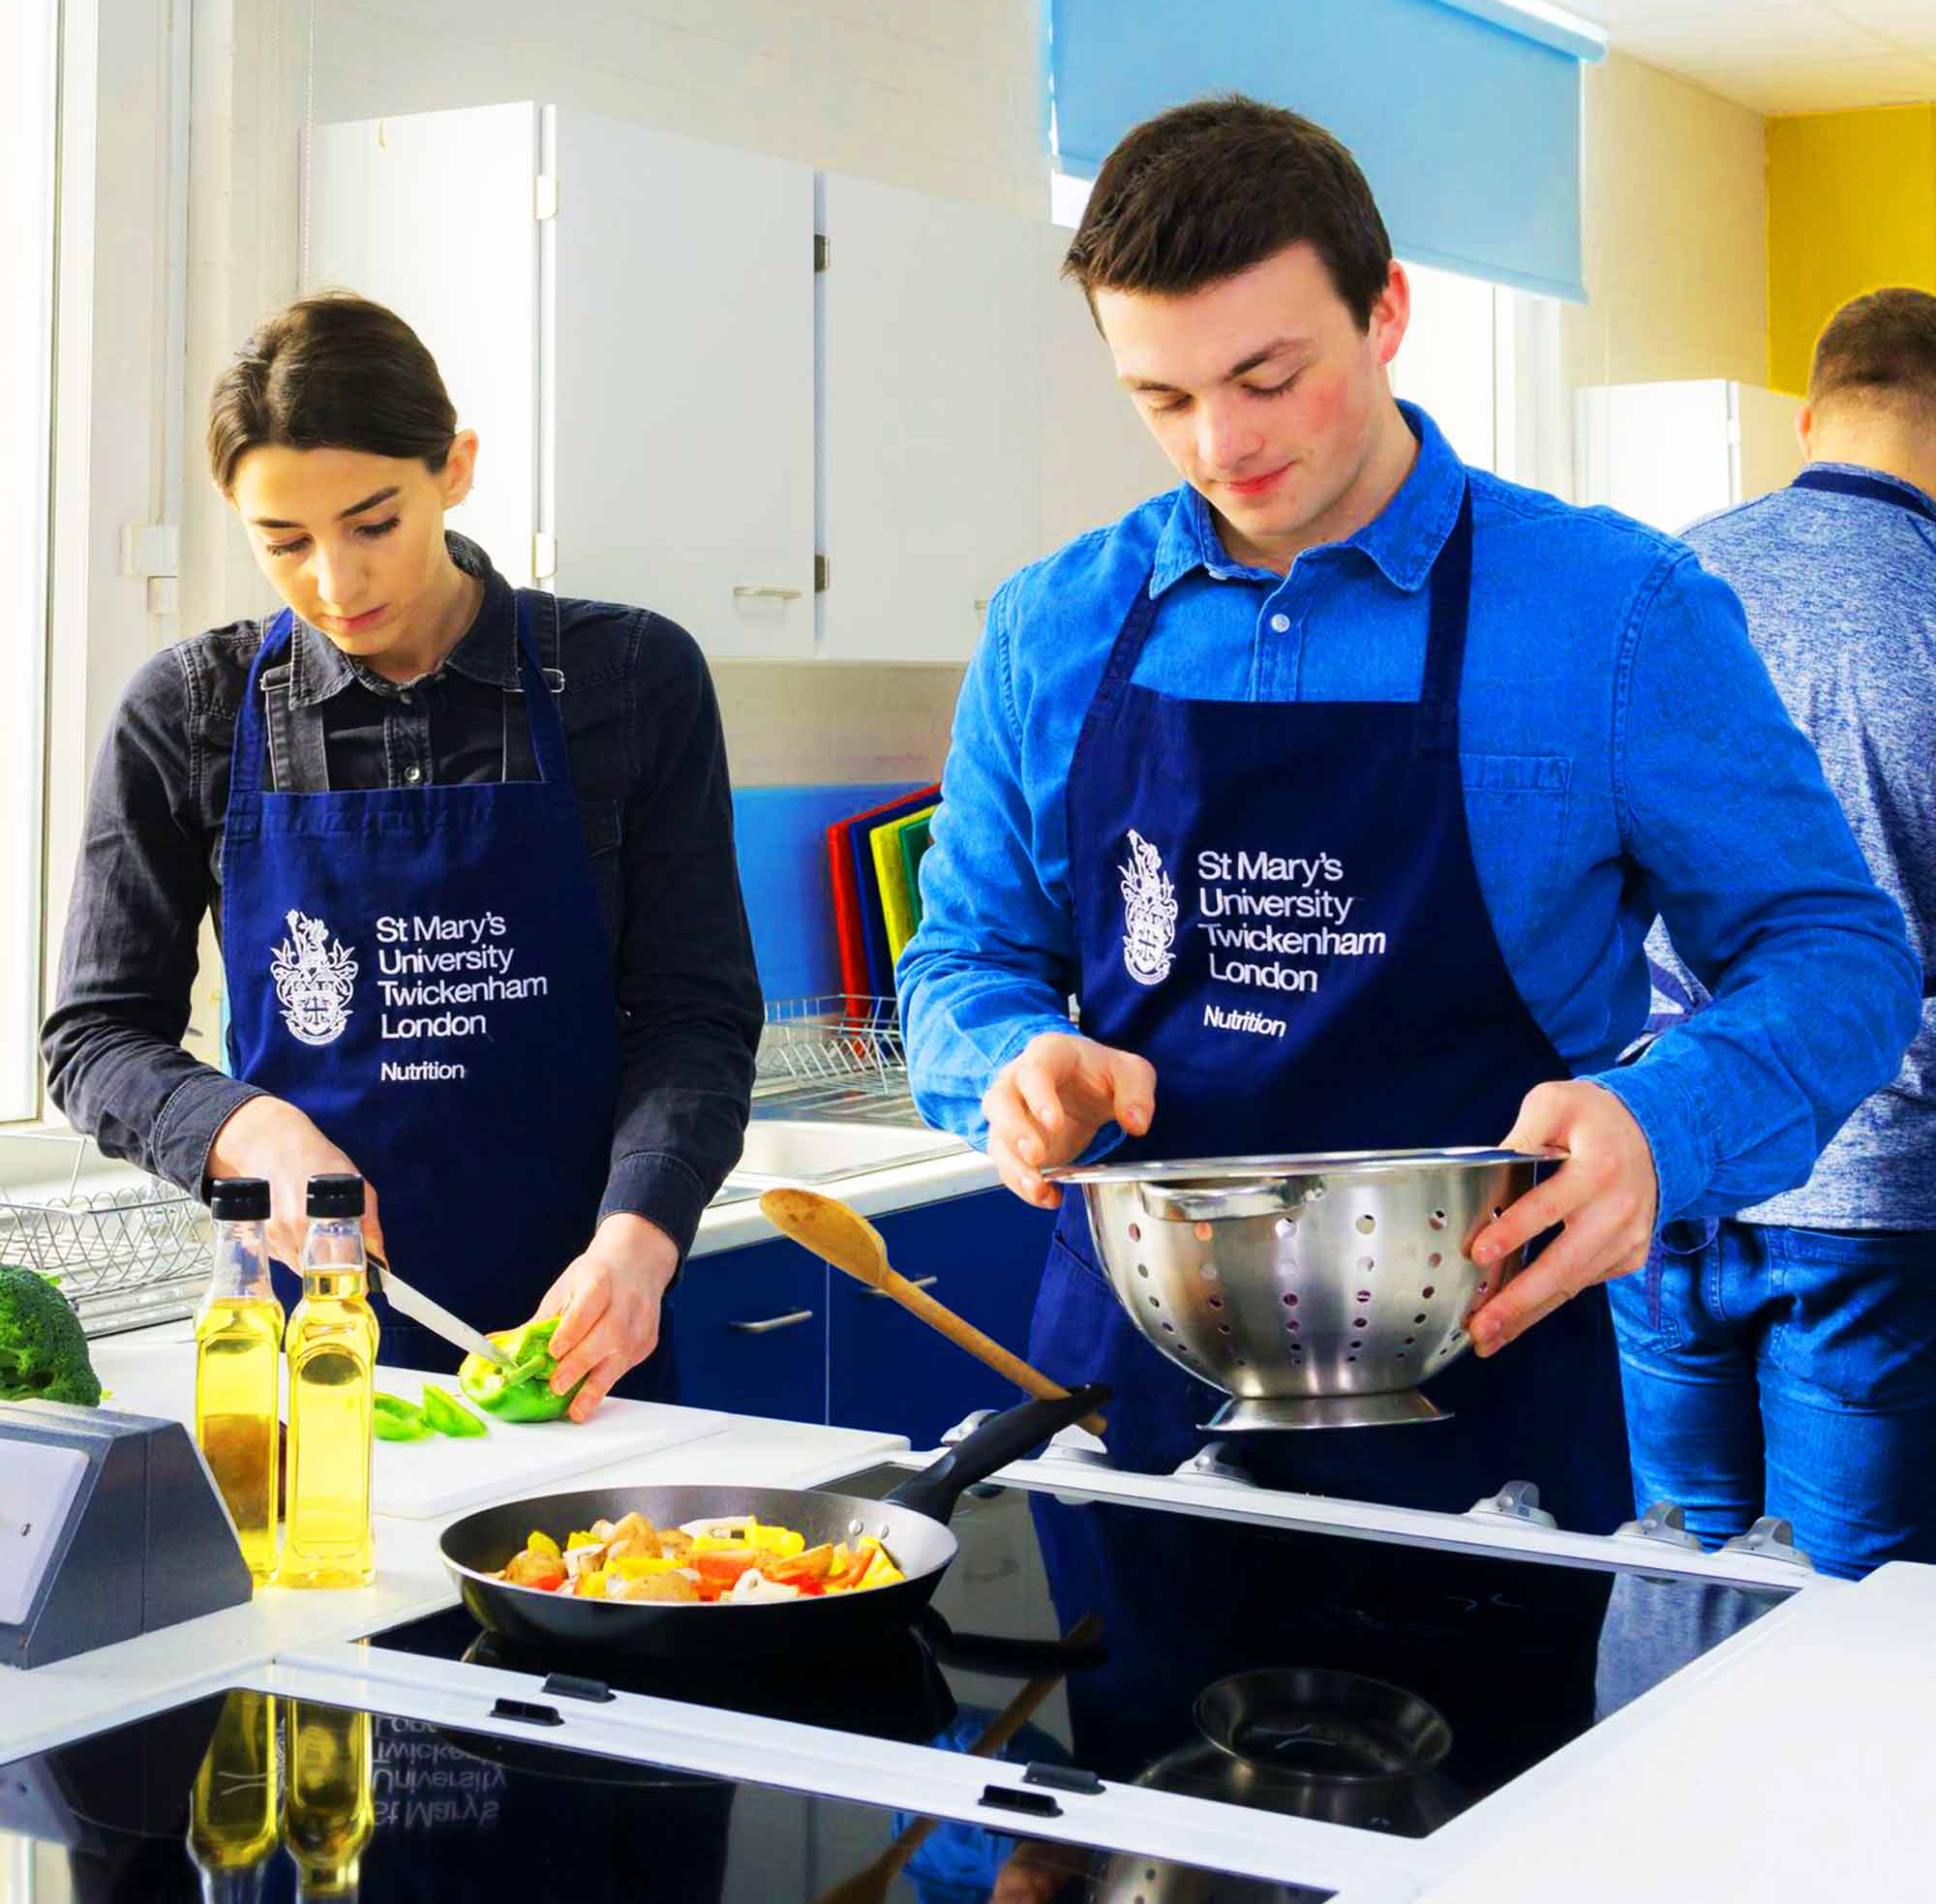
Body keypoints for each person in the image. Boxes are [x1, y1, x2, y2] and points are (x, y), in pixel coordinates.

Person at [895, 98, 1920, 1531]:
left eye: (1268, 375)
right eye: (1163, 398)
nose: (1220, 445)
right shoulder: (1046, 627)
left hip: (1487, 1383)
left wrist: (1664, 1119)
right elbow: (962, 960)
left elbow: (1837, 949)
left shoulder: (1612, 614)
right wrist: (1008, 1058)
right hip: (1135, 1387)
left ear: (1386, 311)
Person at [43, 293, 762, 1416]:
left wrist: (643, 1236)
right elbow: (94, 1035)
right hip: (309, 1345)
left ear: (455, 467)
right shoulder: (187, 709)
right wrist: (243, 1126)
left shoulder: (629, 677)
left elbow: (694, 1015)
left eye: (373, 523)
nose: (335, 581)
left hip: (586, 1337)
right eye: (282, 542)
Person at [1617, 287, 1936, 1579]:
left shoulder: (1659, 583)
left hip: (1655, 1167)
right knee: (1851, 1617)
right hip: (1874, 1190)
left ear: (1810, 417)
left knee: (1681, 1591)